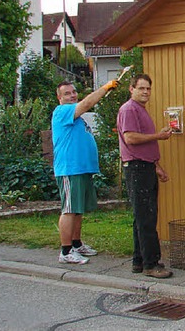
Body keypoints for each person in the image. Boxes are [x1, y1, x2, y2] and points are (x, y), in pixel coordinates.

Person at [52, 79, 118, 264]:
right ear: (59, 98)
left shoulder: (76, 117)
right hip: (70, 169)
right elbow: (88, 103)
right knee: (69, 209)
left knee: (77, 209)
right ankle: (65, 252)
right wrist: (105, 88)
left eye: (74, 92)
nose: (72, 95)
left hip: (81, 169)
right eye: (67, 93)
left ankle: (76, 243)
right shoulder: (62, 111)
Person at [117, 74, 174, 279]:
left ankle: (138, 261)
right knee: (147, 218)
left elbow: (145, 146)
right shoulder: (129, 109)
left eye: (148, 89)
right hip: (137, 169)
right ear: (131, 89)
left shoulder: (140, 109)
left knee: (141, 217)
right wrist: (158, 136)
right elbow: (130, 138)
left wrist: (156, 166)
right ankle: (151, 264)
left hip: (145, 166)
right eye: (141, 88)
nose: (145, 92)